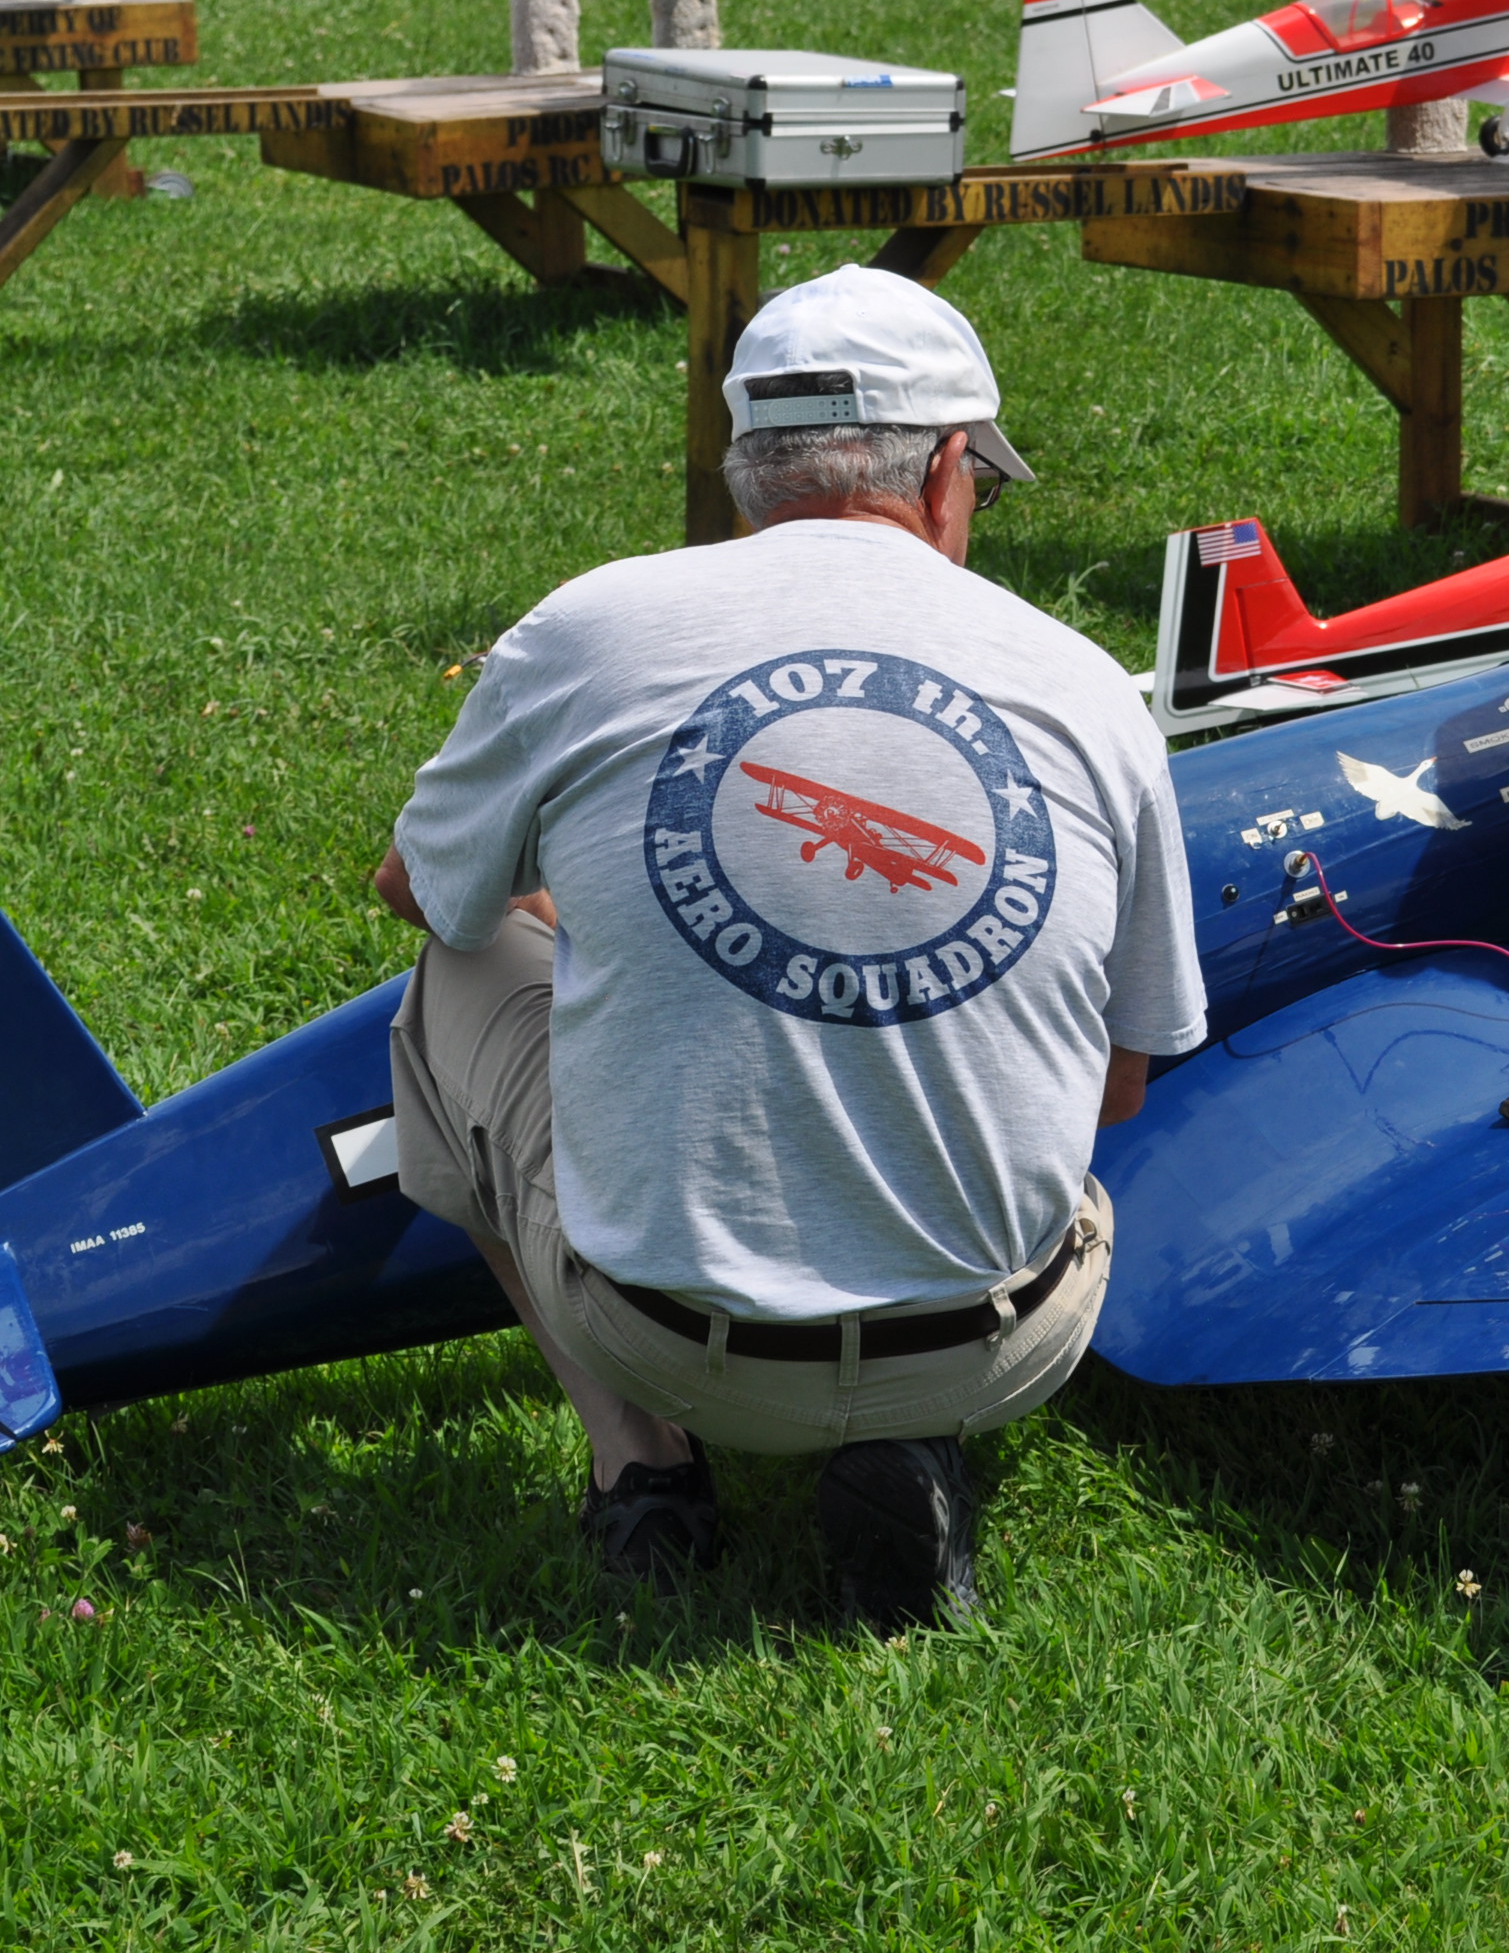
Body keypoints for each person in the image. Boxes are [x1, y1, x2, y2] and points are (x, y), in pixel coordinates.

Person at [372, 265, 1207, 1621]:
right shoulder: (1086, 687)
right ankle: (904, 1430)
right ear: (945, 470)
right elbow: (1119, 1085)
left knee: (456, 962)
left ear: (747, 469)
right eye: (983, 489)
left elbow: (421, 891)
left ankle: (641, 1465)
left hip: (671, 1342)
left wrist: (595, 924)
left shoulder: (585, 629)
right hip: (997, 1345)